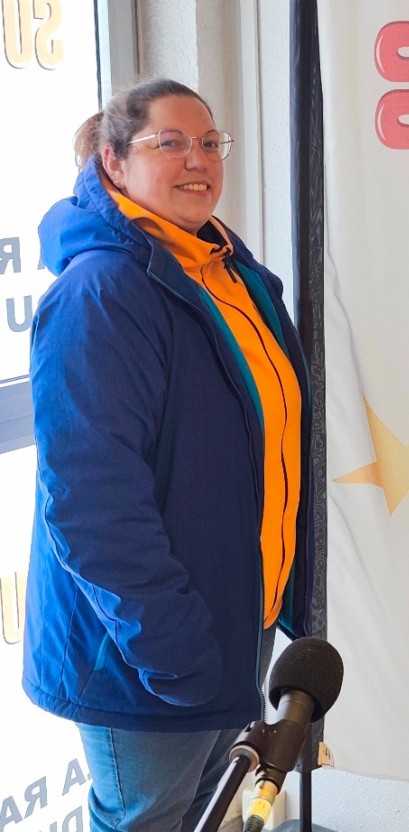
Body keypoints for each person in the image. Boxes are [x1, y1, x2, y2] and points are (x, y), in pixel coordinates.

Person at [22, 79, 314, 832]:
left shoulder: (223, 272)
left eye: (210, 143)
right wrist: (173, 650)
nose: (198, 160)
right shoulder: (100, 294)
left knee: (203, 814)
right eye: (171, 143)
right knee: (148, 820)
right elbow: (91, 507)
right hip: (147, 650)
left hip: (230, 620)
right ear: (114, 162)